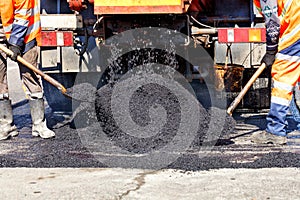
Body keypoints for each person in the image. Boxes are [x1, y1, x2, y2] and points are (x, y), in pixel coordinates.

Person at [0, 0, 55, 140]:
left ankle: (39, 124)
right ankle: (5, 126)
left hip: (25, 33)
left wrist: (15, 43)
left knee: (29, 76)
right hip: (2, 33)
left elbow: (23, 12)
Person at [251, 0, 300, 144]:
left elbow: (272, 22)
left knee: (282, 76)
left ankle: (275, 130)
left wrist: (271, 51)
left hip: (296, 26)